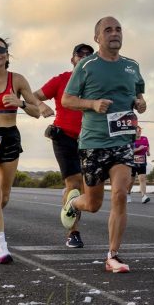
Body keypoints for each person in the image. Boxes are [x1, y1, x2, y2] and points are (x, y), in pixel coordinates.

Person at [60, 16, 147, 273]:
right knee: (94, 204)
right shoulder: (87, 66)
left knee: (120, 195)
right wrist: (92, 104)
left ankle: (113, 256)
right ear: (98, 37)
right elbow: (67, 99)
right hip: (93, 143)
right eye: (107, 30)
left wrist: (140, 103)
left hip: (123, 141)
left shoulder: (132, 66)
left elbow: (138, 94)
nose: (114, 33)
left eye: (118, 29)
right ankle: (73, 203)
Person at [0, 35, 54, 264]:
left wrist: (20, 103)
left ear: (7, 55)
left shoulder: (17, 80)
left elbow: (36, 112)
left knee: (4, 196)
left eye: (2, 50)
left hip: (10, 136)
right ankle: (2, 247)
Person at [33, 42, 95, 248]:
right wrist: (42, 106)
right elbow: (33, 96)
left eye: (88, 55)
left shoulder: (98, 83)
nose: (84, 57)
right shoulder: (61, 80)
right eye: (80, 54)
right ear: (73, 59)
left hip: (91, 139)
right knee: (74, 183)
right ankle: (73, 233)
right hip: (64, 137)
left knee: (89, 191)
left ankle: (69, 200)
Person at [130, 126, 151, 203]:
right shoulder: (130, 140)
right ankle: (128, 193)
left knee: (142, 179)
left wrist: (148, 152)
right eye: (137, 130)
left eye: (140, 130)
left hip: (142, 161)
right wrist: (139, 149)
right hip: (132, 162)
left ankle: (144, 196)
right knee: (131, 180)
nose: (139, 131)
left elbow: (147, 146)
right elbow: (129, 151)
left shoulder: (145, 138)